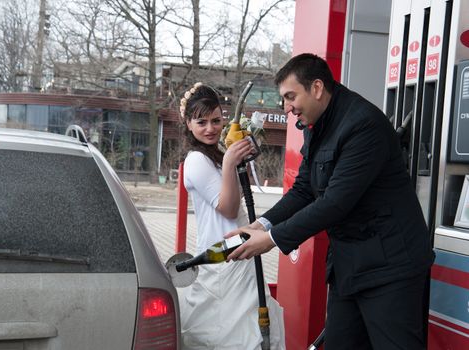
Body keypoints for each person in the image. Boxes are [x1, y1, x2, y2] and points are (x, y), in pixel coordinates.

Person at [225, 53, 435, 350]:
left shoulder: (362, 125)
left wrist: (271, 239)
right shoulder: (317, 125)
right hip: (349, 265)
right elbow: (303, 190)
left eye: (290, 96)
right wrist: (259, 225)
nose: (286, 108)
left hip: (390, 268)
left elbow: (335, 202)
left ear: (317, 88)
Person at [177, 82, 285, 350]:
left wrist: (234, 159)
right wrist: (229, 162)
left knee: (250, 326)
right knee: (227, 332)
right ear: (188, 124)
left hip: (239, 248)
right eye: (201, 122)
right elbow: (226, 207)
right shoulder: (195, 160)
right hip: (219, 256)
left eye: (216, 120)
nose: (210, 128)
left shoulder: (215, 155)